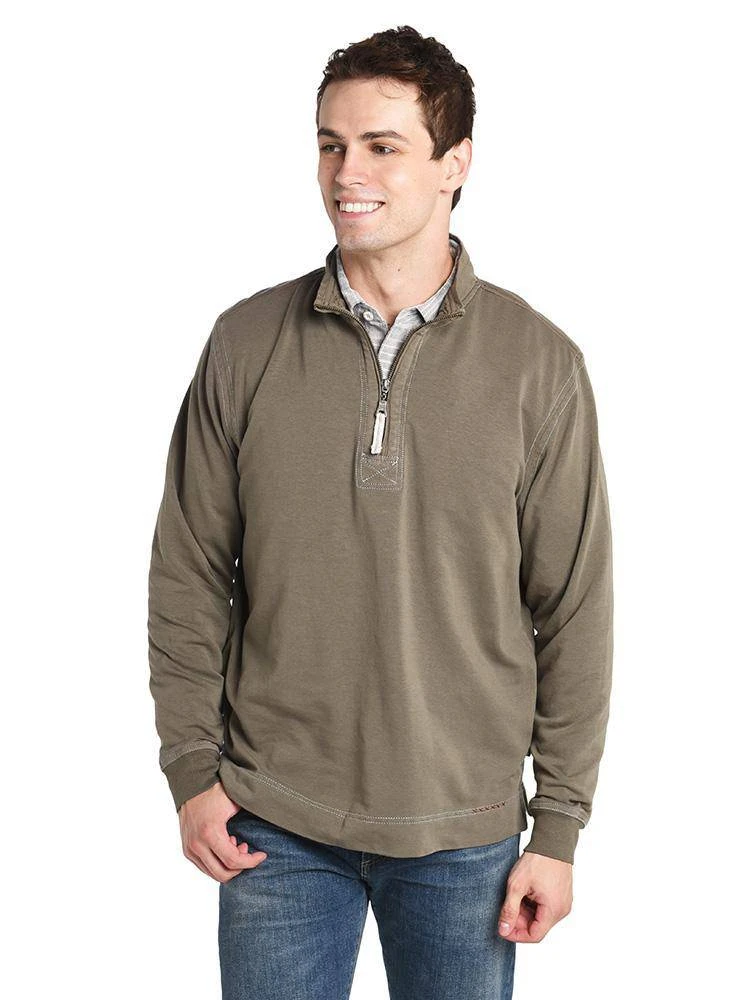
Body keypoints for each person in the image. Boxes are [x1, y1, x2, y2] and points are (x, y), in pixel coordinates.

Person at [147, 24, 614, 1000]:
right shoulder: (245, 343)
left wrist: (559, 827)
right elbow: (188, 572)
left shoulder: (539, 365)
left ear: (455, 164)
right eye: (331, 143)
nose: (345, 172)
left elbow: (572, 608)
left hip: (466, 831)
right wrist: (192, 769)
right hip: (272, 819)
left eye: (381, 145)